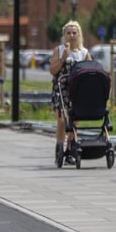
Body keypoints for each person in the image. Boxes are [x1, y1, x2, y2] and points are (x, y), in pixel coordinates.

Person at [49, 20, 92, 163]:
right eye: (69, 33)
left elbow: (91, 70)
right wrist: (63, 58)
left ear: (79, 34)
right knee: (62, 120)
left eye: (74, 33)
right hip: (61, 90)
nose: (72, 35)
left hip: (77, 90)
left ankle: (70, 149)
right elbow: (52, 70)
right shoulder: (59, 50)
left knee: (74, 121)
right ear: (64, 35)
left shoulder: (84, 53)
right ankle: (60, 147)